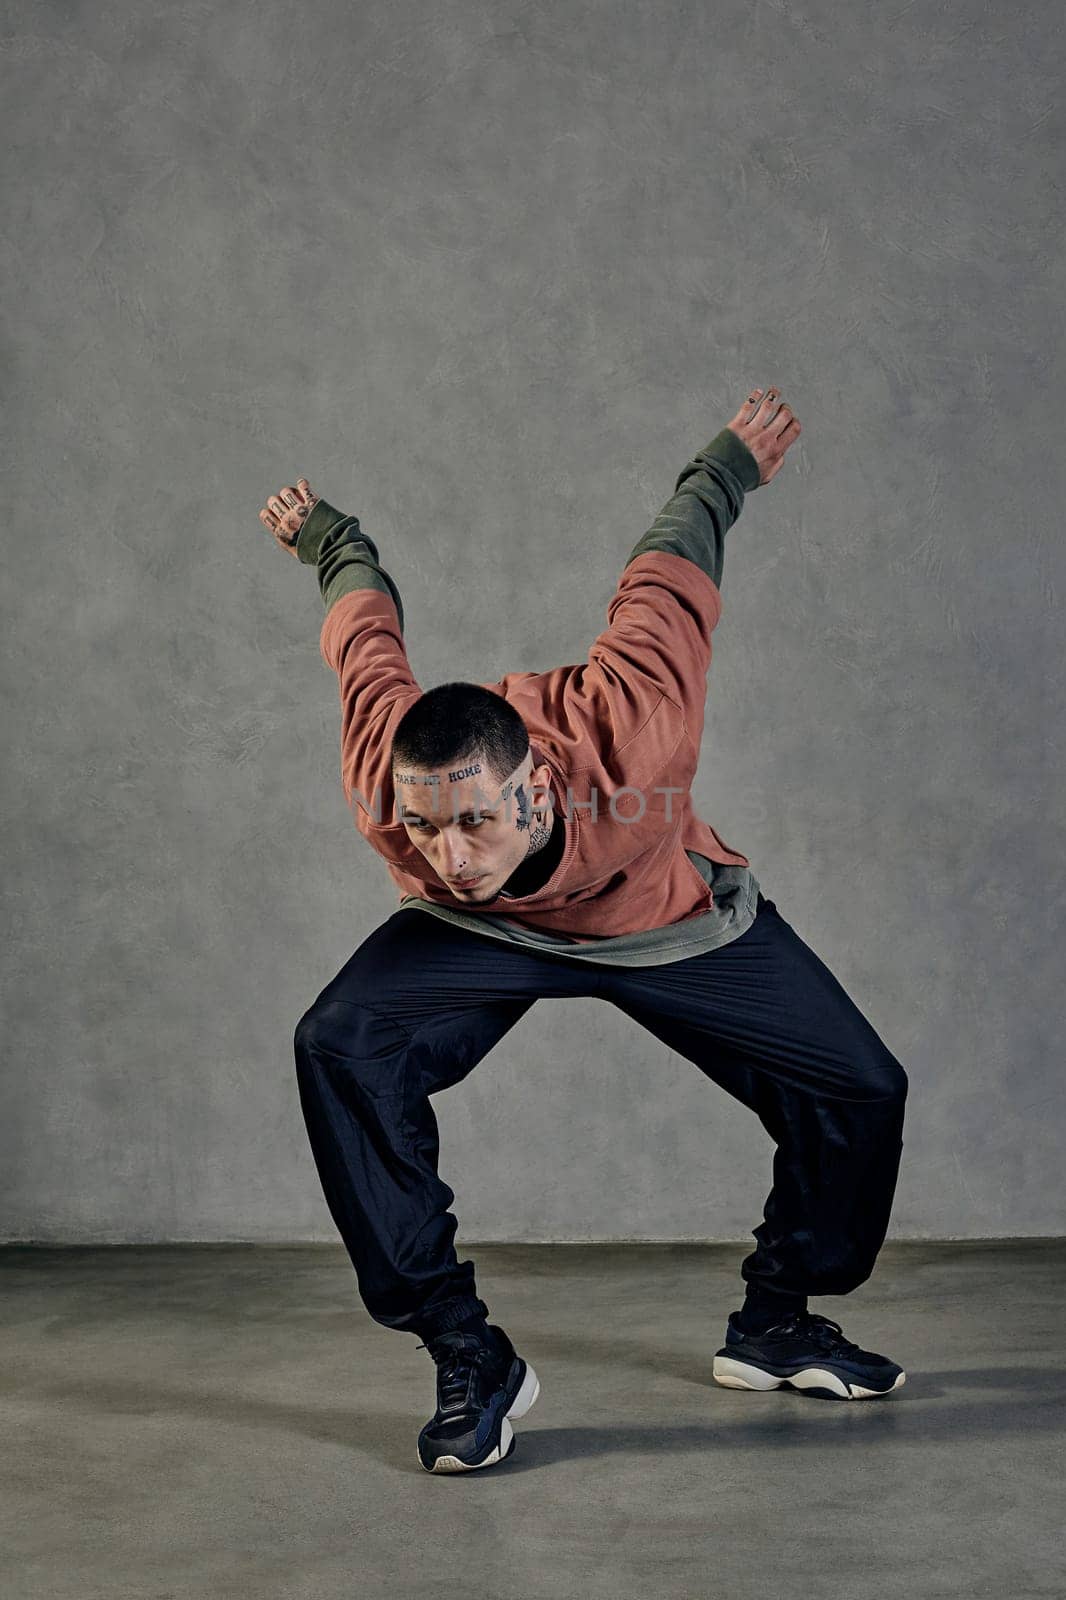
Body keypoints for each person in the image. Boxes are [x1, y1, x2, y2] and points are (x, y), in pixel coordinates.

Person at [258, 384, 909, 1474]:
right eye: (424, 828)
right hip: (485, 941)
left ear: (533, 792)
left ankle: (778, 1317)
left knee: (860, 1088)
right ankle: (466, 1351)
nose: (446, 853)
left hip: (667, 921)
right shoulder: (395, 788)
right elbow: (365, 632)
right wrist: (331, 538)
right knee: (337, 1043)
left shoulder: (631, 724)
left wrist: (728, 462)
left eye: (471, 822)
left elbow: (671, 562)